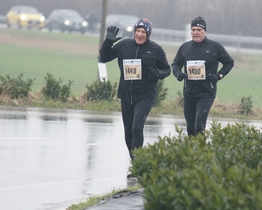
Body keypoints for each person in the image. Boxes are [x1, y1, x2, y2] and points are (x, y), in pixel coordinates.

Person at [98, 18, 171, 163]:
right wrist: (107, 43)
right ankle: (135, 160)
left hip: (145, 95)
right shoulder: (124, 45)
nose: (140, 34)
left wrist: (157, 74)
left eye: (143, 32)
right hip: (126, 95)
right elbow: (103, 58)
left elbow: (166, 70)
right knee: (128, 131)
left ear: (148, 34)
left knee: (137, 127)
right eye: (137, 31)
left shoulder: (156, 49)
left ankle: (137, 162)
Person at [172, 16, 234, 136]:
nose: (196, 33)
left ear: (205, 31)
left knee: (199, 125)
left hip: (206, 93)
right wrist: (178, 74)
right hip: (189, 92)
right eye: (193, 30)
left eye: (199, 30)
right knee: (190, 128)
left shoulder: (215, 47)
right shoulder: (185, 47)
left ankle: (201, 152)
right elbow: (175, 64)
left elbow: (229, 63)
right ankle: (192, 154)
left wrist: (218, 75)